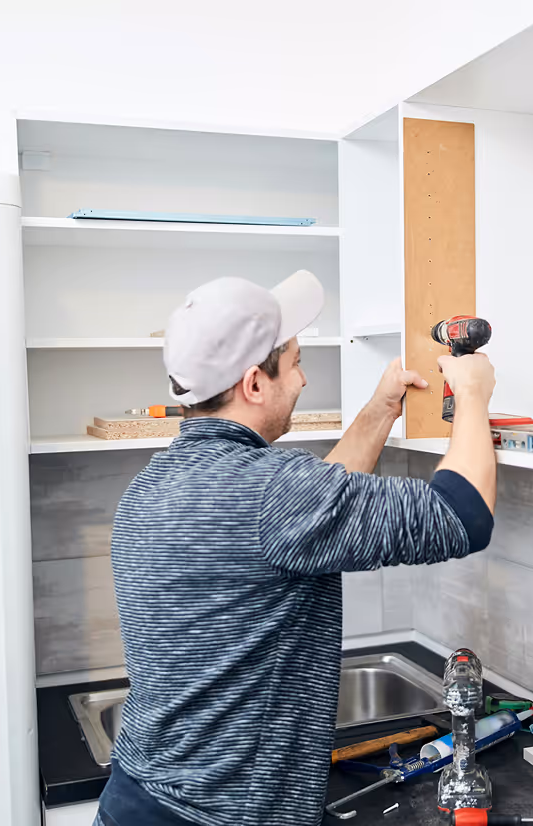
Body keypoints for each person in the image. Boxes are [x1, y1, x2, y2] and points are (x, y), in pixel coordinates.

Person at [95, 270, 497, 826]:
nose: (304, 380)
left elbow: (305, 522)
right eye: (296, 362)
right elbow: (462, 515)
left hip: (135, 798)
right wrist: (474, 394)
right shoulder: (272, 490)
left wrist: (381, 411)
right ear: (254, 383)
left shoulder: (155, 482)